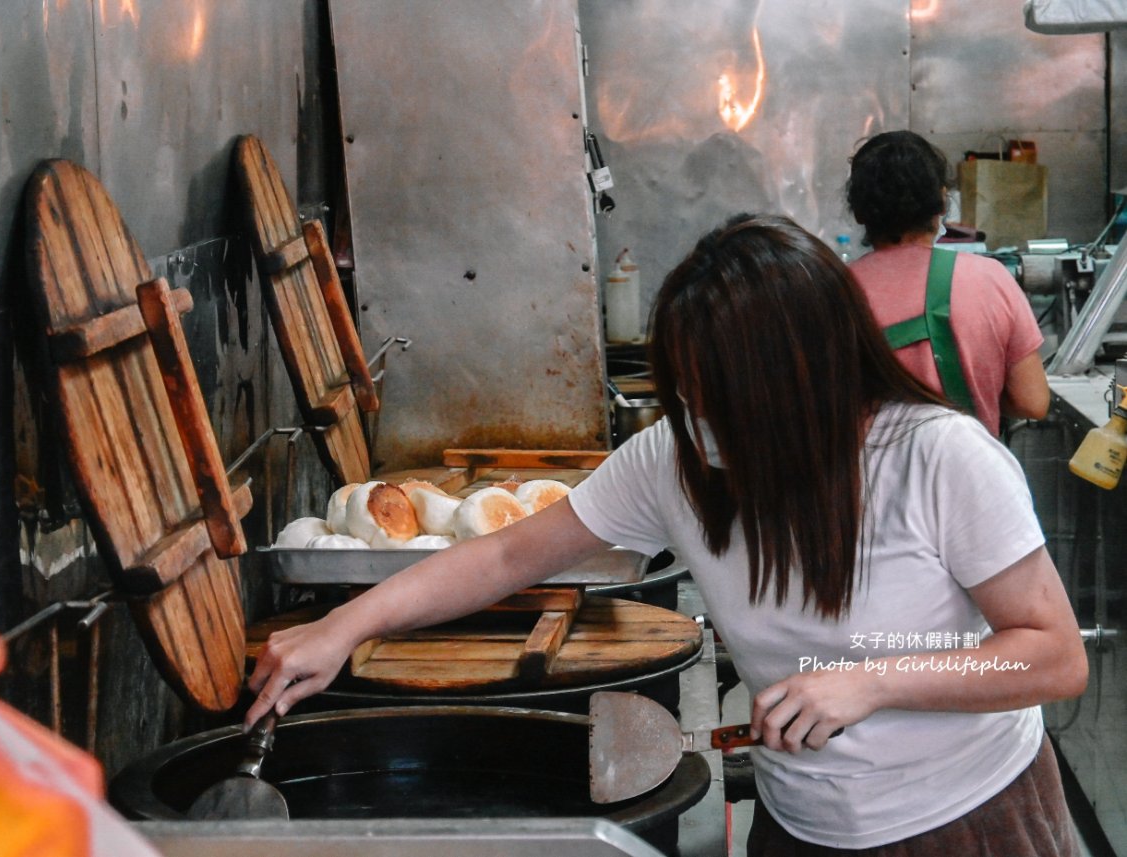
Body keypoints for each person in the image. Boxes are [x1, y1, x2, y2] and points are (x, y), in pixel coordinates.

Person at [248, 214, 1087, 855]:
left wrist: (871, 681)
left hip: (965, 817)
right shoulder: (674, 456)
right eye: (685, 395)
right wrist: (342, 624)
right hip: (801, 827)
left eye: (721, 398)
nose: (698, 423)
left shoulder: (937, 457)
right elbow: (506, 554)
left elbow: (1051, 654)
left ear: (803, 379)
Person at [845, 130, 1049, 437]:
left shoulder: (832, 291)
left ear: (859, 212)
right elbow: (1032, 401)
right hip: (966, 480)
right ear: (942, 202)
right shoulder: (990, 279)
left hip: (867, 482)